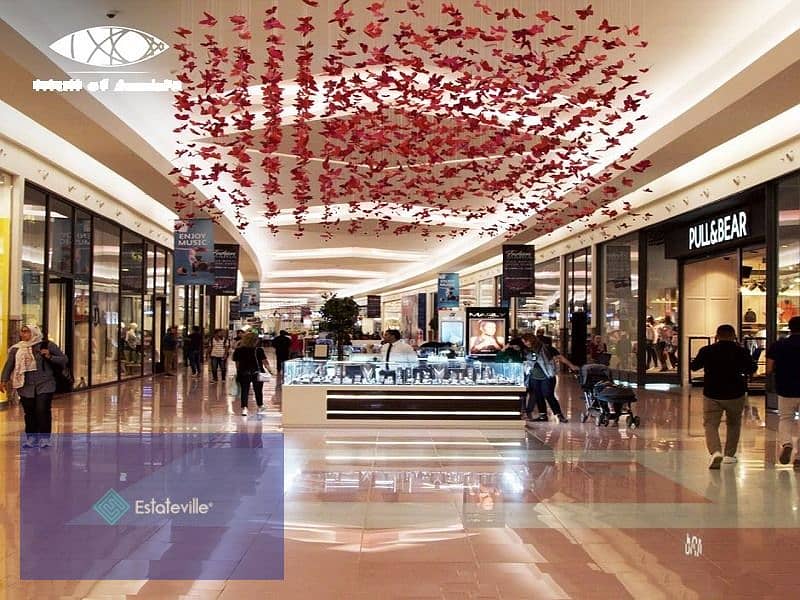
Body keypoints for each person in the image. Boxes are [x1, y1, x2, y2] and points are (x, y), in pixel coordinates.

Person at [690, 324, 757, 469]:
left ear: (717, 335)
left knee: (710, 424)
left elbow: (694, 366)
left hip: (712, 392)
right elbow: (752, 369)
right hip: (735, 392)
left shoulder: (707, 350)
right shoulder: (741, 351)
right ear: (733, 336)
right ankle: (729, 455)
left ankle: (715, 452)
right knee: (733, 424)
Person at [0, 325, 67, 448]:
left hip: (45, 383)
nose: (23, 334)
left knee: (42, 410)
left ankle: (45, 438)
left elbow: (64, 360)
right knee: (29, 412)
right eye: (22, 331)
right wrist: (3, 380)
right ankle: (31, 438)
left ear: (34, 333)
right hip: (25, 385)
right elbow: (9, 364)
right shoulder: (17, 349)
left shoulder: (46, 345)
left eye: (26, 332)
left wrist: (50, 356)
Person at [766, 316, 800, 468]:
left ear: (789, 327)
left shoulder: (778, 345)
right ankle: (799, 458)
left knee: (786, 418)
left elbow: (769, 368)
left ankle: (787, 443)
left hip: (785, 388)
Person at [522, 333, 575, 423]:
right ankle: (543, 415)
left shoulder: (546, 348)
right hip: (534, 376)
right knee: (538, 395)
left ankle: (559, 414)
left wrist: (571, 366)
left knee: (548, 394)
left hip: (547, 375)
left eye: (525, 341)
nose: (525, 343)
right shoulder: (527, 350)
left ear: (530, 340)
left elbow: (559, 357)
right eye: (523, 342)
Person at [232, 332, 268, 416]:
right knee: (258, 390)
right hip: (257, 373)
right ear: (255, 340)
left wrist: (238, 371)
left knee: (244, 390)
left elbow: (237, 363)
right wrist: (270, 370)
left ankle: (244, 408)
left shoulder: (239, 350)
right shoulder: (258, 350)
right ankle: (260, 406)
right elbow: (264, 362)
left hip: (243, 372)